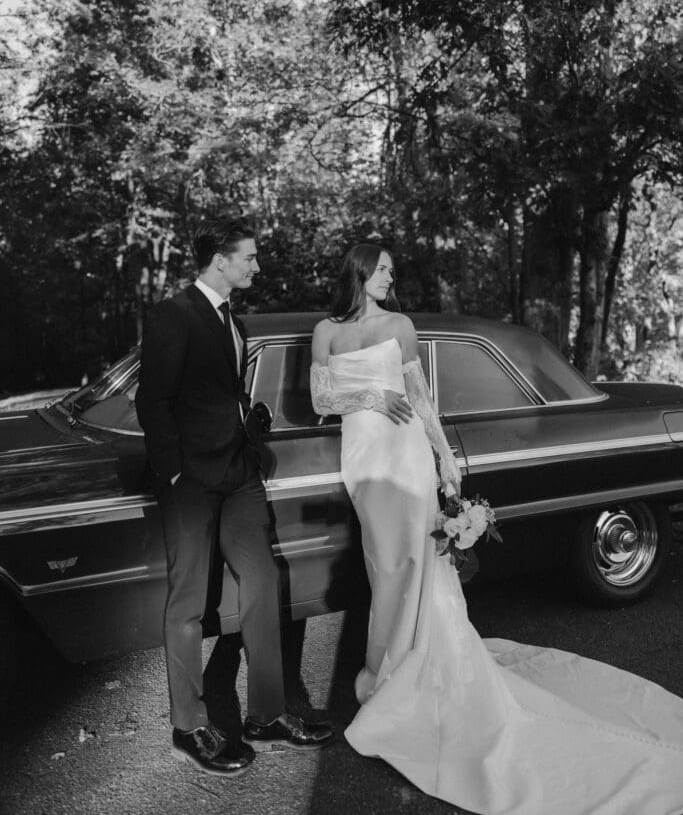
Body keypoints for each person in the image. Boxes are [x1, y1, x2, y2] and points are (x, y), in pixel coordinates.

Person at [310, 242, 683, 815]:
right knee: (382, 565)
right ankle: (389, 669)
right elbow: (319, 397)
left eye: (390, 269)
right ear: (360, 271)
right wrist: (371, 396)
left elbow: (419, 397)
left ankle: (400, 674)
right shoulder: (326, 330)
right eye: (383, 268)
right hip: (363, 462)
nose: (390, 276)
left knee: (414, 564)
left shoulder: (402, 325)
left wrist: (444, 461)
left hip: (404, 456)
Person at [136, 216, 332, 777]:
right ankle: (189, 726)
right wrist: (173, 473)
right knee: (189, 604)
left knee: (264, 582)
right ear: (219, 260)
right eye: (248, 257)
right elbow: (155, 401)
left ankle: (267, 715)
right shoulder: (174, 314)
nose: (256, 265)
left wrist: (248, 427)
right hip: (192, 483)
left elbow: (221, 394)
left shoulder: (235, 321)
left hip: (239, 475)